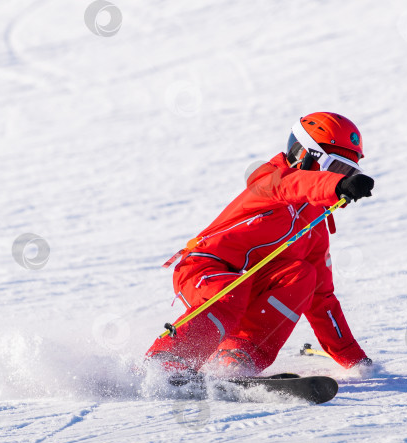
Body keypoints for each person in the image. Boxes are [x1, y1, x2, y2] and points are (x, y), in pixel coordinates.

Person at [145, 112, 375, 378]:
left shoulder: (315, 227)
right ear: (306, 156)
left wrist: (356, 360)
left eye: (349, 172)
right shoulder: (271, 183)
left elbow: (322, 301)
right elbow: (293, 185)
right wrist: (337, 185)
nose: (341, 177)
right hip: (203, 268)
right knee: (232, 289)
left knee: (303, 276)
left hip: (248, 285)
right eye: (335, 168)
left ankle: (236, 355)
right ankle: (168, 360)